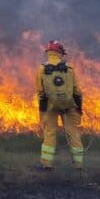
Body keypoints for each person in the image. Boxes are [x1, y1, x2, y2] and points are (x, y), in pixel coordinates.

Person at [36, 41, 84, 171]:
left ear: (49, 52)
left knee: (50, 133)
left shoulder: (41, 69)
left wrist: (43, 108)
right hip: (69, 105)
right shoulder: (69, 69)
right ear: (60, 53)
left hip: (50, 106)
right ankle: (78, 165)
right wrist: (78, 107)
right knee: (72, 133)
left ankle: (47, 165)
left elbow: (40, 91)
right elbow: (77, 91)